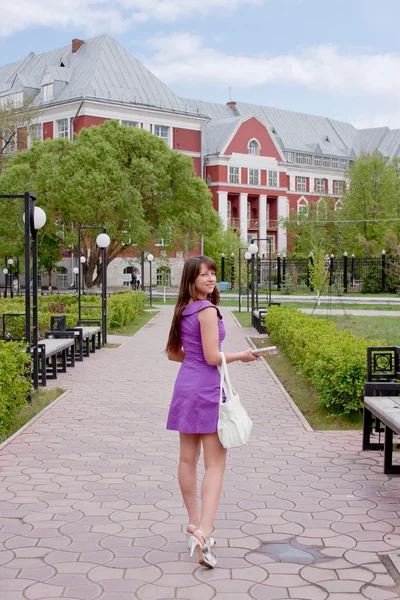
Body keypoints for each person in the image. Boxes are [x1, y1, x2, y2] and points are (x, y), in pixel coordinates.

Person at [165, 255, 258, 569]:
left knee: (186, 459)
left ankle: (194, 524)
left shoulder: (184, 309)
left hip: (185, 387)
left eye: (212, 273)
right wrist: (242, 356)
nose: (209, 278)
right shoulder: (207, 310)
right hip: (206, 390)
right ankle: (205, 531)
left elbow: (174, 353)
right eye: (202, 274)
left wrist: (197, 362)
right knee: (215, 464)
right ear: (191, 279)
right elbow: (212, 356)